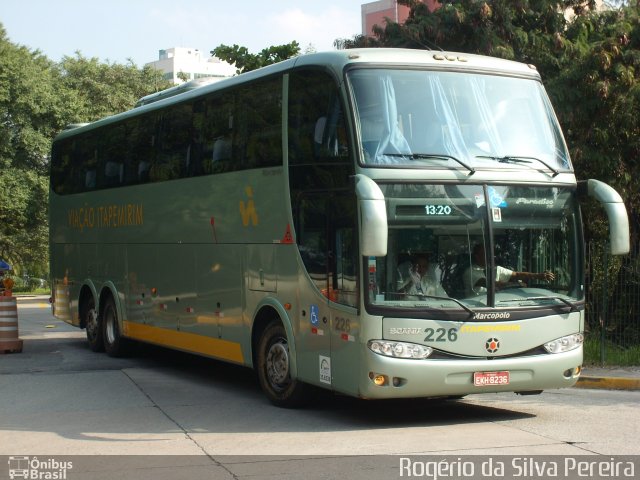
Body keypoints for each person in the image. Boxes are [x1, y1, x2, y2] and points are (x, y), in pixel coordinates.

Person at [464, 244, 555, 296]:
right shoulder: (470, 272)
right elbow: (492, 284)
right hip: (475, 308)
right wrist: (517, 284)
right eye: (485, 254)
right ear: (477, 256)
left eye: (490, 254)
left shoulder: (495, 269)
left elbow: (517, 274)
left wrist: (539, 276)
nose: (489, 256)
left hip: (498, 306)